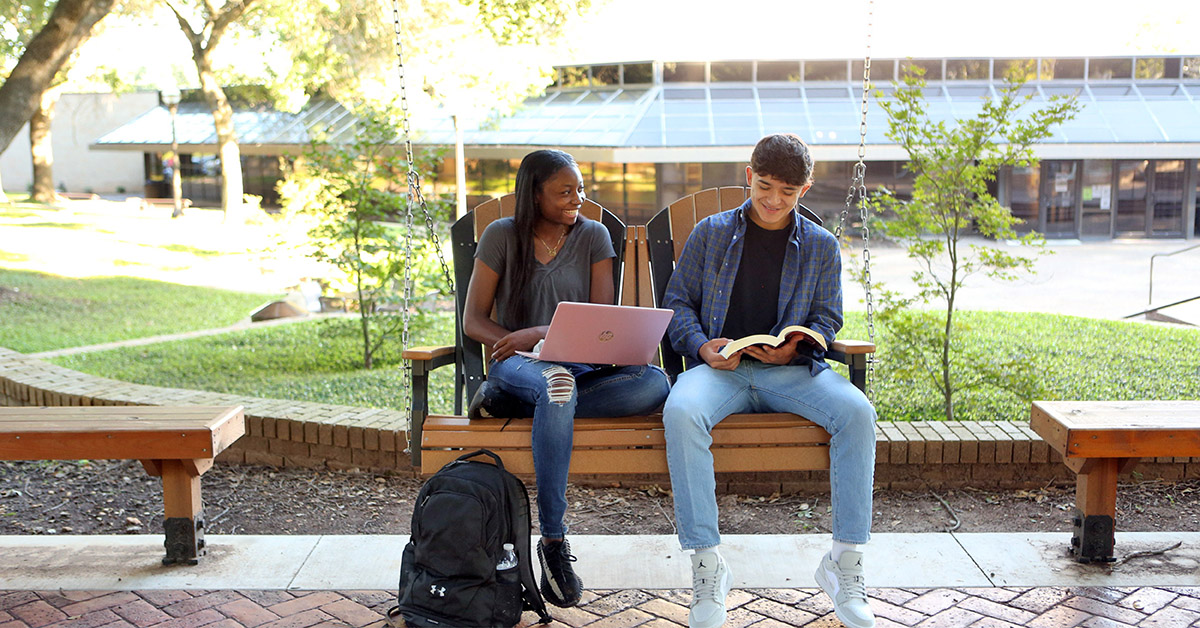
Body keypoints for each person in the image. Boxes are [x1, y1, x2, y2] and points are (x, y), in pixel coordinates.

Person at [661, 133, 878, 628]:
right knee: (680, 410)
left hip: (790, 372)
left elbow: (827, 316)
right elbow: (677, 303)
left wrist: (796, 346)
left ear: (805, 188)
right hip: (723, 370)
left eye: (788, 191)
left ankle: (844, 565)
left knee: (858, 413)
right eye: (764, 186)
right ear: (748, 176)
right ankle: (707, 568)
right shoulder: (710, 233)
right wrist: (701, 346)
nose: (774, 200)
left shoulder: (821, 246)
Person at [462, 148, 671, 608]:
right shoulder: (501, 236)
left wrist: (546, 333)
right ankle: (554, 542)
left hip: (576, 366)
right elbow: (473, 320)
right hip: (519, 363)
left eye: (580, 188)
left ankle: (511, 402)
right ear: (534, 195)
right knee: (556, 385)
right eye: (565, 191)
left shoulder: (594, 237)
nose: (577, 198)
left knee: (655, 383)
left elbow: (599, 319)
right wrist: (518, 343)